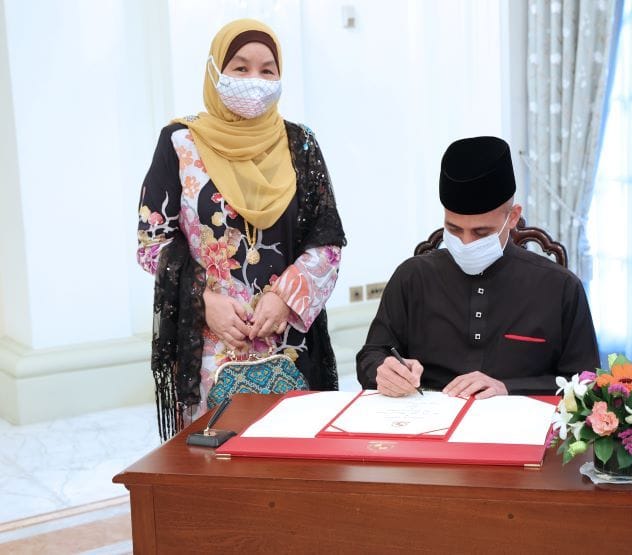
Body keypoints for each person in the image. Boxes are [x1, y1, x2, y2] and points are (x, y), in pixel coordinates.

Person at [137, 19, 345, 439]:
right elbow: (152, 242)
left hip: (287, 342)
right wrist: (203, 299)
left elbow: (327, 242)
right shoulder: (180, 143)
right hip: (211, 346)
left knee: (291, 460)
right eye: (240, 67)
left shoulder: (300, 145)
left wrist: (285, 299)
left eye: (268, 70)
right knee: (215, 464)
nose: (255, 81)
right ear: (215, 72)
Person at [356, 136, 598, 399]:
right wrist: (384, 370)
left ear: (512, 217)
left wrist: (509, 388)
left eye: (481, 233)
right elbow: (371, 356)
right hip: (427, 426)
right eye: (454, 229)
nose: (466, 243)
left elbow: (586, 383)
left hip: (518, 430)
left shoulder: (560, 287)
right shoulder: (412, 276)